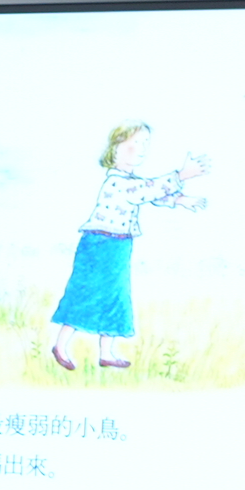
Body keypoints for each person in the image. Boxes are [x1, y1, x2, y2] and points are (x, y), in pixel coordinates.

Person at [46, 122, 206, 375]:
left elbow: (150, 194)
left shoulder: (130, 182)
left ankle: (106, 353)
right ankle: (60, 346)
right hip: (99, 245)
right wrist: (180, 176)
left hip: (118, 245)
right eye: (133, 143)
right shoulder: (117, 182)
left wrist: (179, 200)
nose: (139, 149)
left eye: (144, 143)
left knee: (115, 296)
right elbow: (145, 191)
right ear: (115, 149)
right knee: (85, 296)